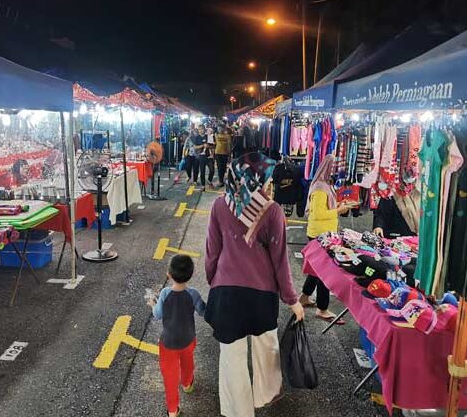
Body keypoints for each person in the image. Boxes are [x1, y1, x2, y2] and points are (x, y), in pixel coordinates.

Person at [205, 152, 304, 417]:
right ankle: (265, 395)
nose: (271, 183)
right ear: (258, 179)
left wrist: (214, 279)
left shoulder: (219, 205)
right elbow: (280, 260)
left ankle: (238, 411)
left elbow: (212, 251)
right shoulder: (272, 211)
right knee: (266, 351)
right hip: (262, 295)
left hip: (226, 293)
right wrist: (292, 299)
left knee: (231, 360)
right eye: (268, 178)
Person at [148, 255, 206, 417]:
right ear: (191, 274)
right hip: (188, 339)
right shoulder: (193, 293)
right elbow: (203, 311)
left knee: (170, 377)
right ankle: (187, 384)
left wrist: (153, 304)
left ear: (169, 275)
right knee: (188, 362)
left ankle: (173, 410)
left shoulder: (165, 293)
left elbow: (158, 315)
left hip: (168, 343)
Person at [299, 155, 349, 323]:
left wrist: (339, 205)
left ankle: (305, 297)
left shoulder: (326, 185)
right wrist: (339, 210)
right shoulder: (320, 188)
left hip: (323, 233)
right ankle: (322, 308)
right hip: (320, 235)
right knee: (324, 273)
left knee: (316, 269)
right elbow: (318, 214)